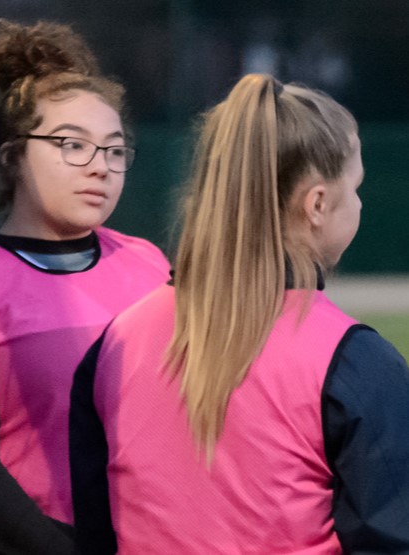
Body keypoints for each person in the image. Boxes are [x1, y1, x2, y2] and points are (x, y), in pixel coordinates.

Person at [69, 74, 409, 554]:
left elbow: (96, 532)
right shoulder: (356, 363)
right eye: (355, 186)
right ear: (317, 204)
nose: (358, 202)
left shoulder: (117, 344)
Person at [0, 19, 171, 554]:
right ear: (12, 156)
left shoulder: (151, 267)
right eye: (71, 145)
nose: (100, 167)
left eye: (113, 150)